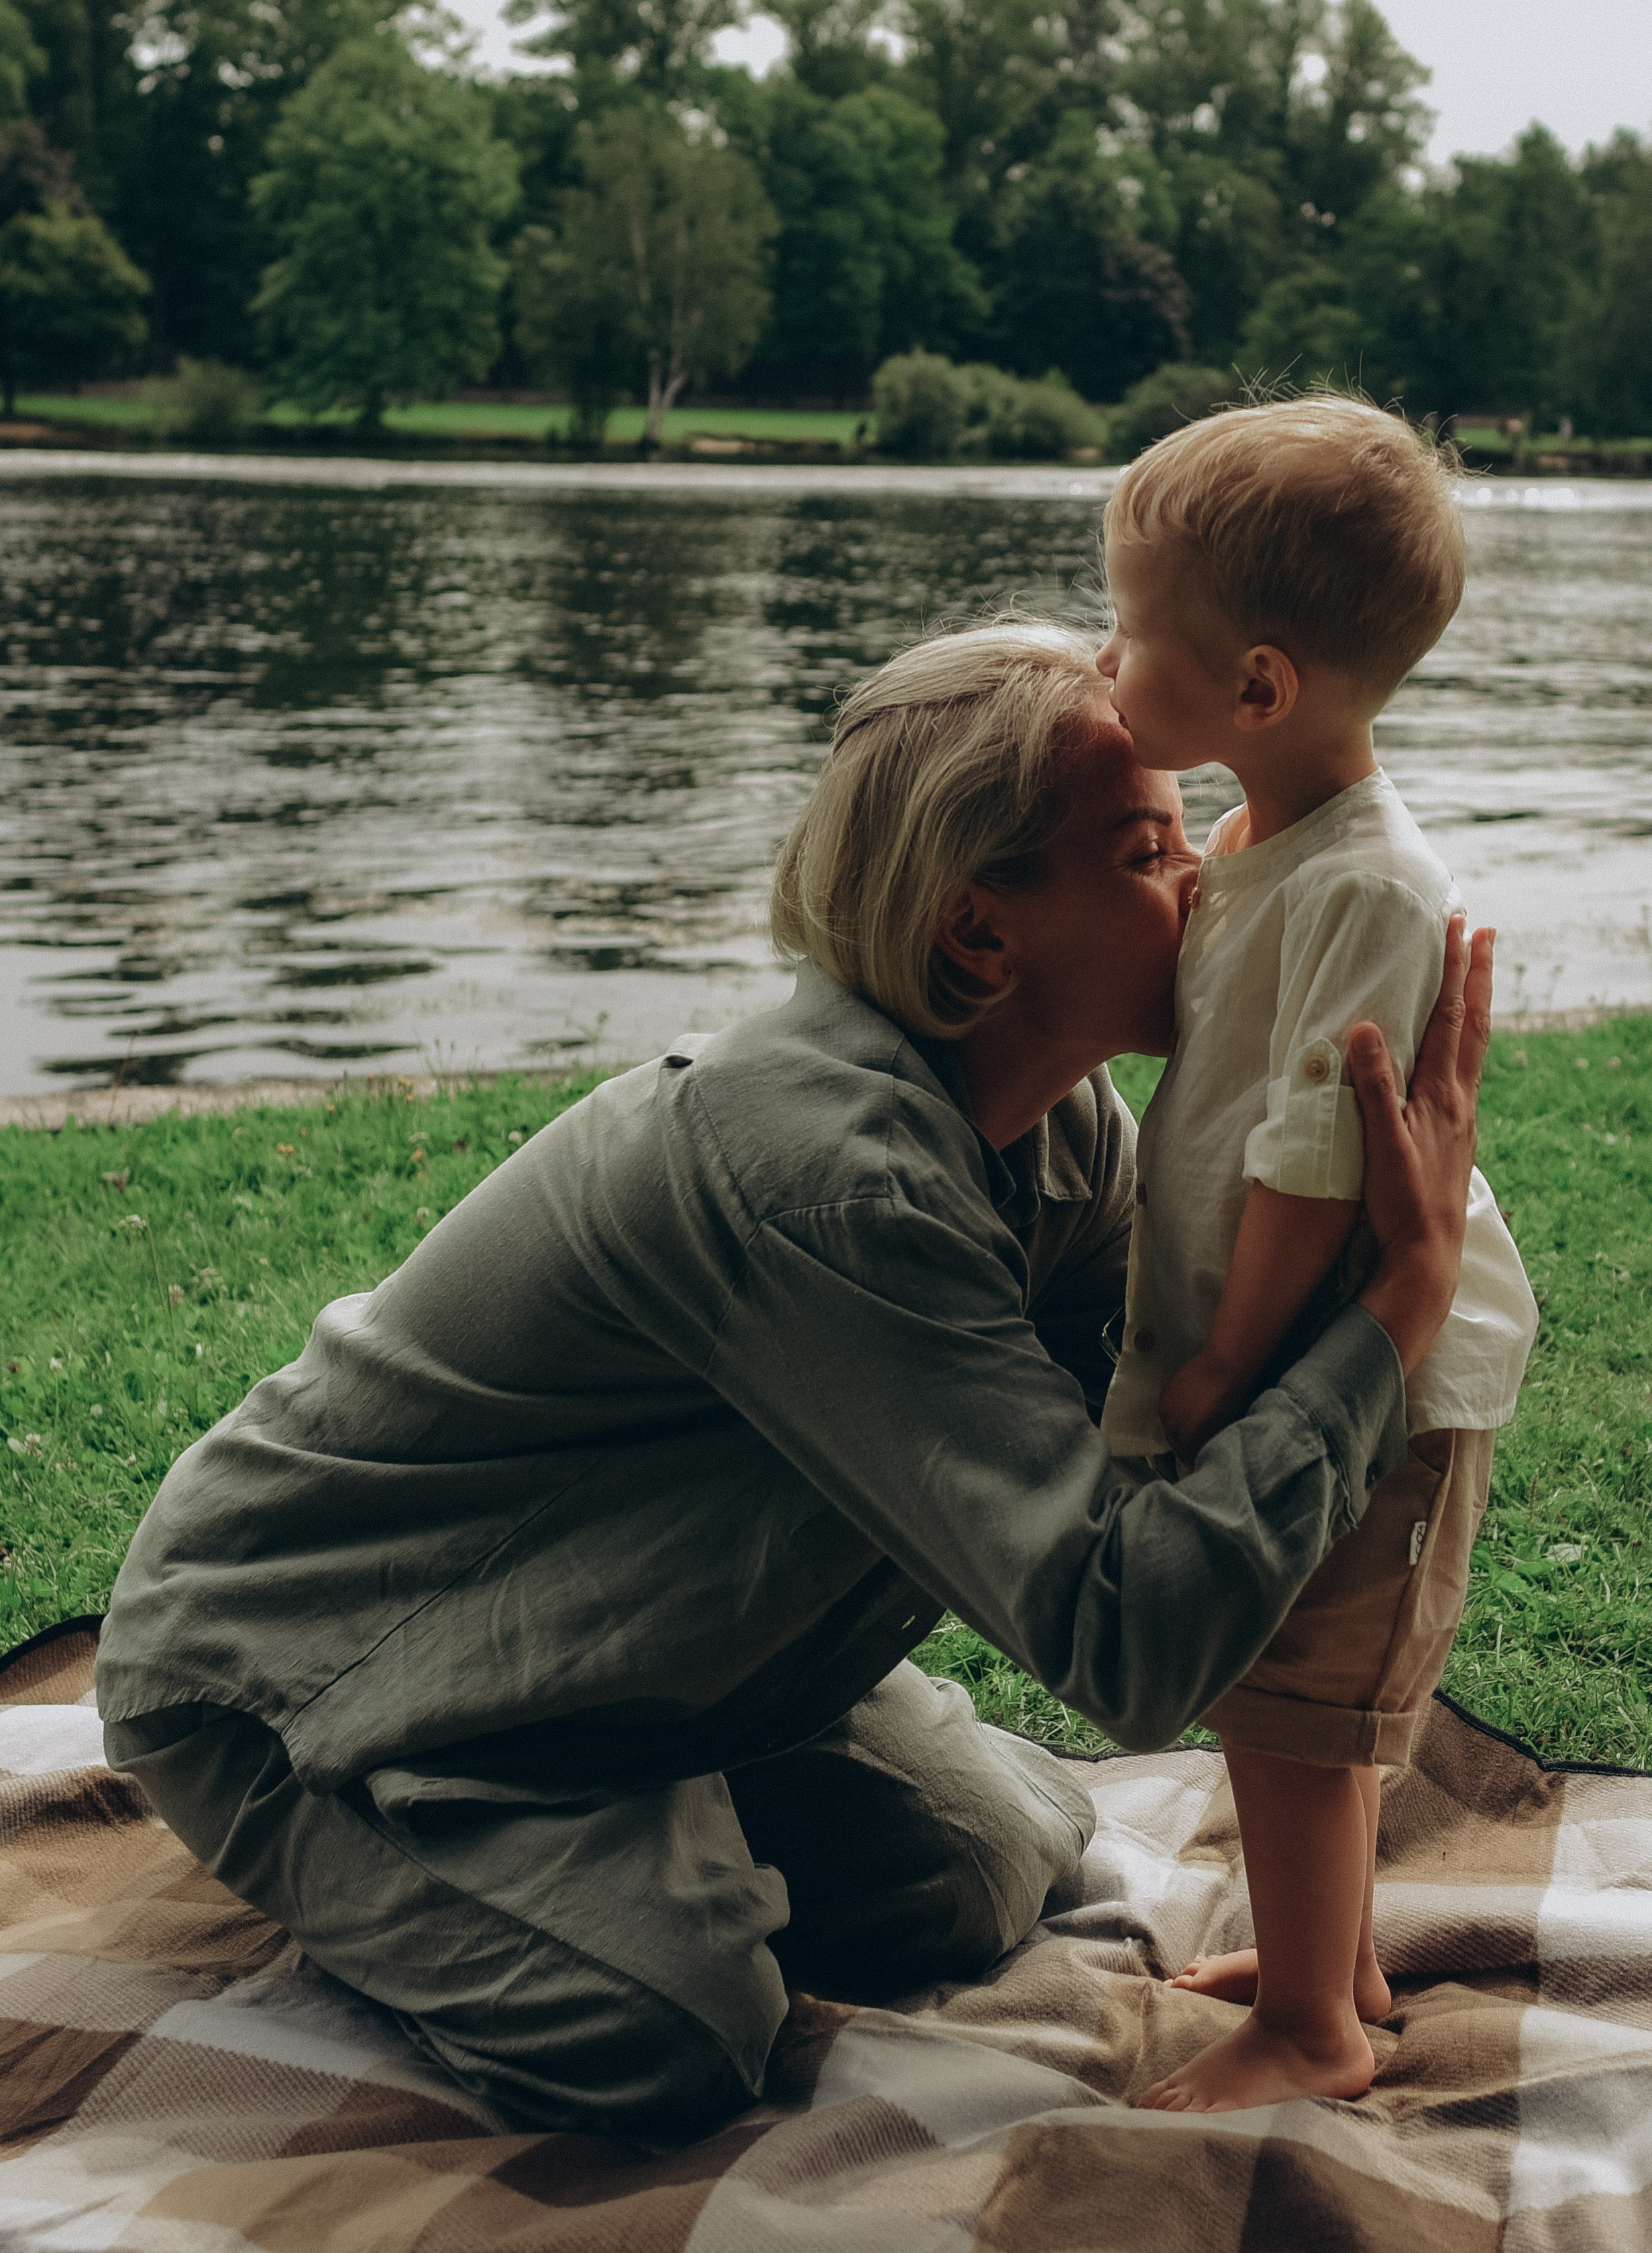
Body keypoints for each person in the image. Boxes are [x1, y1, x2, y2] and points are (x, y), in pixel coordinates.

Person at [97, 621, 1491, 2142]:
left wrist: (1338, 1198)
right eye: (1151, 846)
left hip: (658, 1649)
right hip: (303, 1663)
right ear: (979, 936)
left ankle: (627, 1820)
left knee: (990, 1863)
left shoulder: (1071, 1134)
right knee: (663, 2034)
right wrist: (1395, 1309)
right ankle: (400, 1838)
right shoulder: (829, 1181)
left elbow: (1163, 1464)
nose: (1207, 884)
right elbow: (1124, 1635)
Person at [1096, 399, 1537, 2115]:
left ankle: (1308, 2034)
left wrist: (1225, 1357)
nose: (1104, 658)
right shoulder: (1257, 839)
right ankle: (1331, 1962)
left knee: (1297, 1701)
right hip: (1301, 1358)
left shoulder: (1370, 884)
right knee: (1285, 1678)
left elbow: (1311, 1149)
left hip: (1361, 1370)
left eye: (1129, 632)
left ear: (1256, 688)